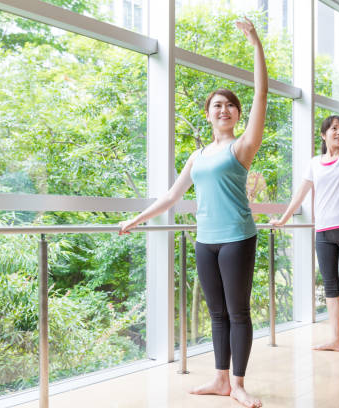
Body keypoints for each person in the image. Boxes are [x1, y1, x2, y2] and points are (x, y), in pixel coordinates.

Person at [119, 17, 266, 408]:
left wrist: (256, 45)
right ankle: (219, 379)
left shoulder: (241, 148)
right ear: (208, 114)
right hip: (206, 241)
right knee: (217, 313)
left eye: (230, 106)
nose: (224, 110)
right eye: (217, 105)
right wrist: (134, 220)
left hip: (237, 238)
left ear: (237, 115)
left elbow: (262, 99)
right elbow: (170, 197)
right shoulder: (197, 156)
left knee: (238, 312)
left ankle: (238, 383)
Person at [270, 63, 339, 358]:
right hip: (323, 233)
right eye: (333, 129)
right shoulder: (314, 163)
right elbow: (300, 194)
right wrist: (285, 218)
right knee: (330, 287)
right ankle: (336, 339)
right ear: (324, 135)